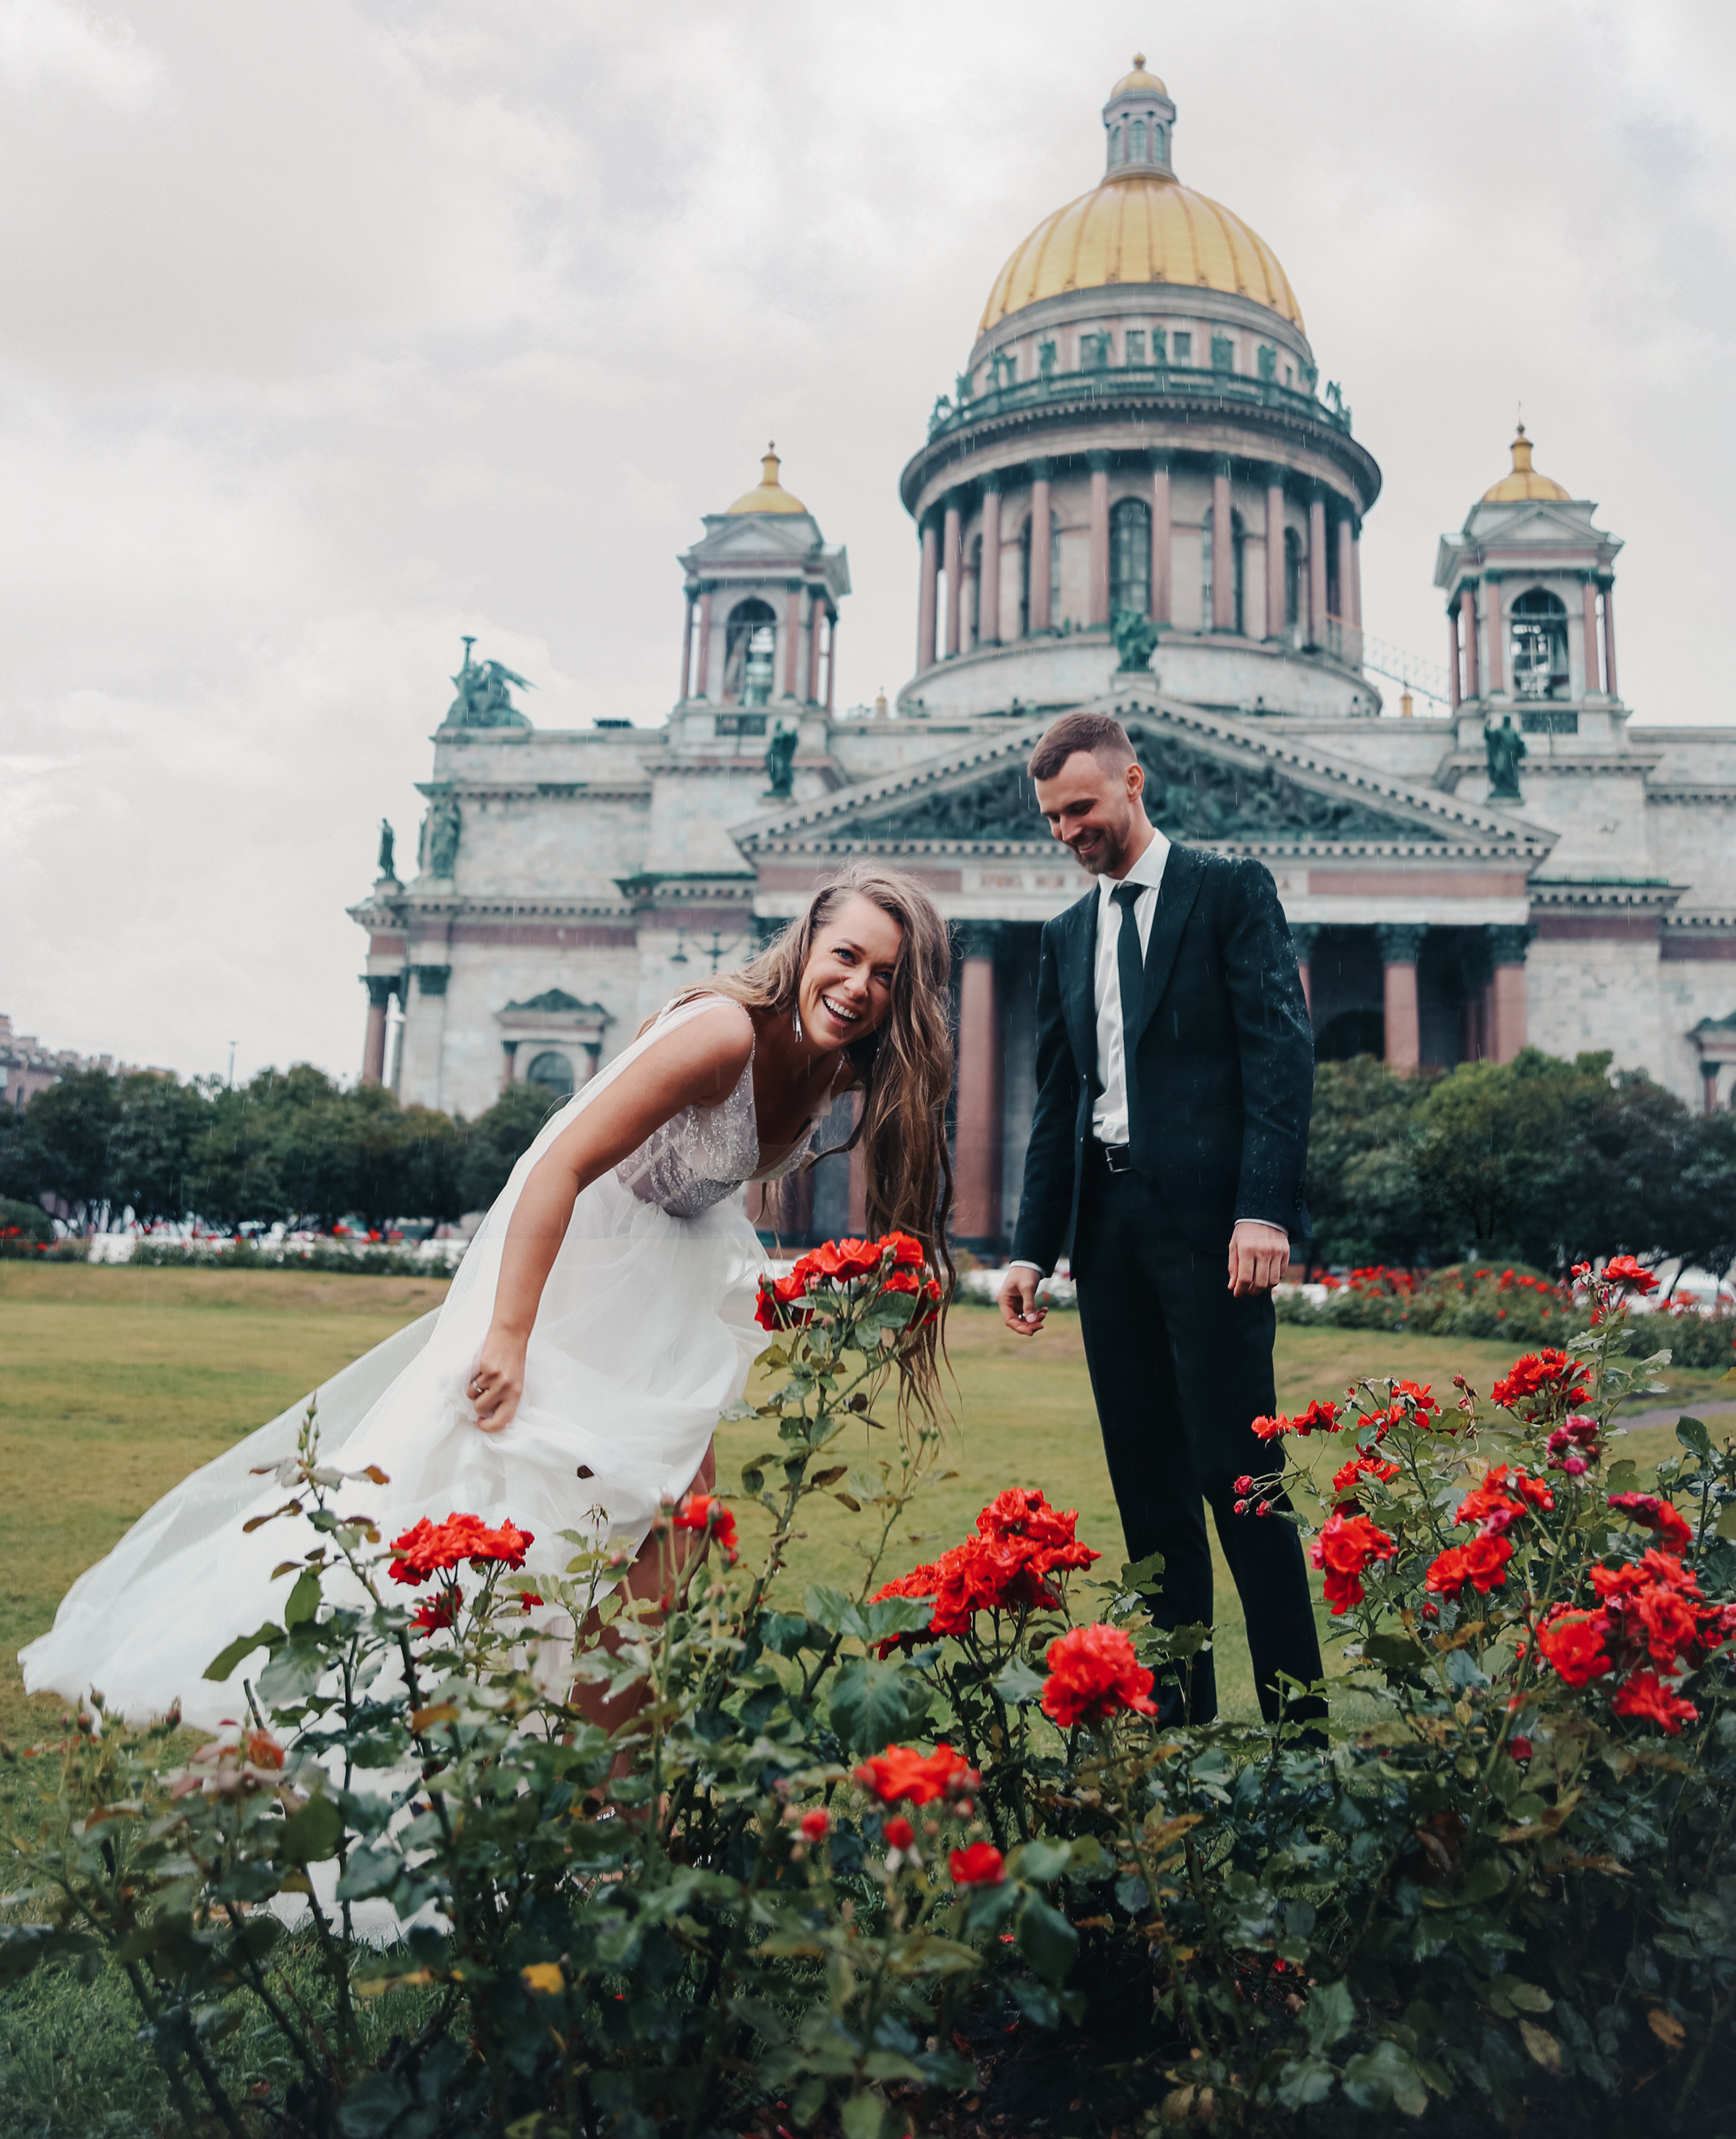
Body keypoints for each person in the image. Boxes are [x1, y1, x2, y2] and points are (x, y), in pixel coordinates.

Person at [22, 867, 956, 1729]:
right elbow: (559, 1164)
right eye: (846, 956)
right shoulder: (720, 1032)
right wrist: (509, 1333)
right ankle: (346, 1714)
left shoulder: (842, 1066)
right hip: (574, 1270)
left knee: (664, 1550)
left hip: (669, 1281)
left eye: (886, 973)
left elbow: (704, 1210)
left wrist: (848, 1291)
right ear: (805, 946)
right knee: (488, 1497)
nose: (861, 985)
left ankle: (606, 1790)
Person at [997, 713, 1322, 1728]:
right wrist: (1029, 1246)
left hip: (1214, 1231)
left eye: (1082, 809)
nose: (1068, 833)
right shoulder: (1066, 935)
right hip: (1111, 1232)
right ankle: (1180, 1718)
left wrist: (1262, 1208)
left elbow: (1280, 1053)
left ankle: (1298, 1725)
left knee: (1242, 1480)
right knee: (1146, 1487)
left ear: (1133, 781)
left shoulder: (1228, 892)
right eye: (1052, 819)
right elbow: (1061, 1102)